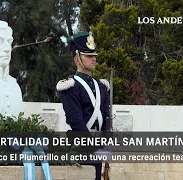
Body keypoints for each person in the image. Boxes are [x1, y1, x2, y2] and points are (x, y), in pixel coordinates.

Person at [56, 31, 110, 180]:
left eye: (94, 56)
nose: (94, 59)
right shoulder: (70, 86)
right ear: (77, 59)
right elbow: (75, 121)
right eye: (89, 56)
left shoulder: (102, 86)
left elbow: (106, 117)